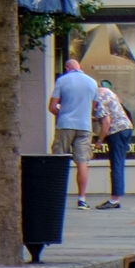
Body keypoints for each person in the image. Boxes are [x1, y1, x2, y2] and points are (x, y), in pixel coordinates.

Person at [49, 56, 99, 208]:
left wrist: (62, 112)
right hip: (84, 126)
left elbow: (52, 107)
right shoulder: (92, 82)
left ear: (67, 68)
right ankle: (82, 198)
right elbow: (94, 106)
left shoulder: (62, 80)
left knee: (58, 160)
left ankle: (56, 196)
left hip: (65, 124)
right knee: (82, 162)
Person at [92, 78, 133, 209]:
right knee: (118, 163)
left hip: (116, 131)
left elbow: (106, 122)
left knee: (116, 164)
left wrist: (99, 140)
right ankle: (115, 197)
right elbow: (117, 104)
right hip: (125, 127)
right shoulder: (107, 92)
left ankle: (115, 199)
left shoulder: (98, 98)